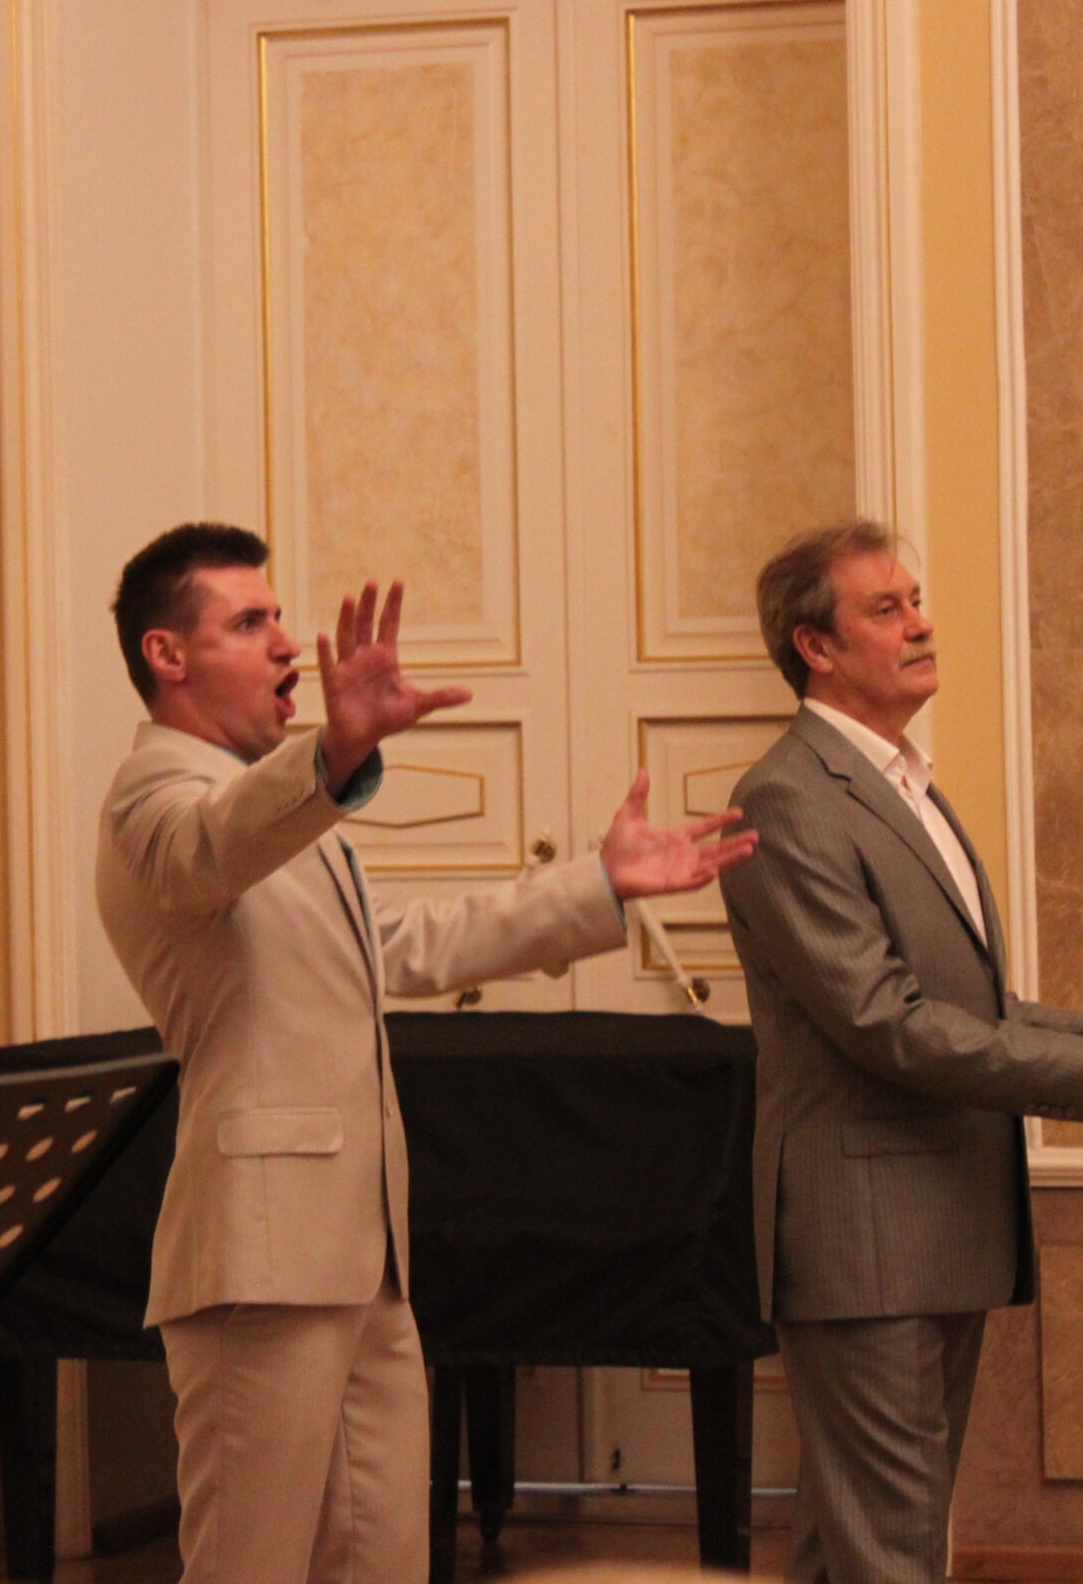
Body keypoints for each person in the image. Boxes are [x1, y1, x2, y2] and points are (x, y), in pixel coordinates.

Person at [96, 522, 756, 1584]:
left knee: (384, 1565)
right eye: (250, 622)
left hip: (364, 1256)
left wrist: (597, 886)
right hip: (261, 1256)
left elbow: (400, 946)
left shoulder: (278, 813)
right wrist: (334, 754)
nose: (285, 644)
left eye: (278, 617)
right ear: (166, 654)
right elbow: (211, 844)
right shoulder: (155, 795)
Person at [717, 520, 1083, 1584]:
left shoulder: (906, 784)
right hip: (869, 1243)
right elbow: (882, 1019)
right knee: (889, 1550)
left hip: (932, 1224)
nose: (920, 623)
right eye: (886, 608)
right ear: (815, 646)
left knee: (851, 1548)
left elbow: (977, 1006)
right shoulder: (788, 795)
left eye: (916, 600)